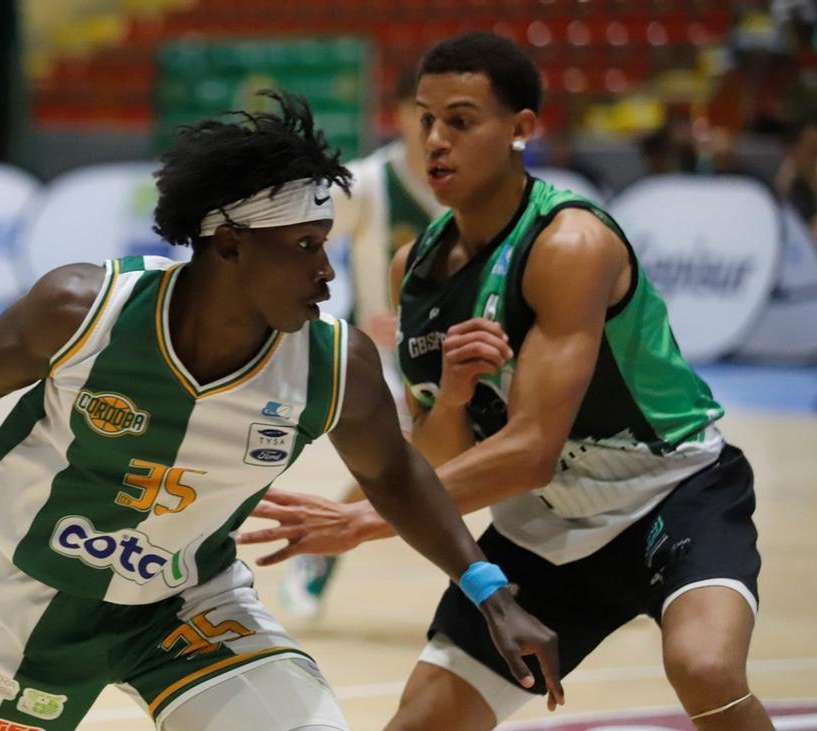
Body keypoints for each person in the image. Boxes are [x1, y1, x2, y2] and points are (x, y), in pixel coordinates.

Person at [0, 91, 561, 731]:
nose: (326, 272)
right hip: (25, 600)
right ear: (231, 244)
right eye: (307, 247)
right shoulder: (85, 309)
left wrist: (490, 590)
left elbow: (395, 473)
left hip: (189, 603)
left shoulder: (332, 362)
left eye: (329, 246)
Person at [239, 34, 768, 731]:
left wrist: (365, 521)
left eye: (460, 120)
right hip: (545, 527)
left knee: (704, 666)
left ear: (521, 129)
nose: (435, 140)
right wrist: (454, 396)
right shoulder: (415, 269)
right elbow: (437, 454)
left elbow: (530, 451)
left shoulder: (568, 243)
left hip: (671, 493)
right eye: (426, 119)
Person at [278, 62, 446, 620]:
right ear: (397, 115)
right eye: (421, 114)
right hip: (388, 361)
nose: (434, 130)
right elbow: (293, 237)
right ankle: (322, 547)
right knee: (405, 463)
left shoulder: (484, 188)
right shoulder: (369, 184)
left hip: (465, 357)